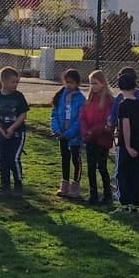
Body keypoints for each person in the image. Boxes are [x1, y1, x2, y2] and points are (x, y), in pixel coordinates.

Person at [114, 66, 139, 211]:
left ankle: (125, 202)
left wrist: (127, 146)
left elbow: (126, 125)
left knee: (123, 172)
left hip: (127, 143)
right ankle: (136, 201)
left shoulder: (123, 105)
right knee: (136, 171)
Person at [0, 68, 31, 194]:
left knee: (14, 158)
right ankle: (5, 185)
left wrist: (12, 128)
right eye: (13, 82)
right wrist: (2, 131)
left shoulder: (19, 96)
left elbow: (23, 115)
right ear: (4, 81)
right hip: (3, 135)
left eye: (17, 82)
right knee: (3, 160)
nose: (15, 85)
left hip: (18, 134)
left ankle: (18, 183)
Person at [80, 69, 116, 206]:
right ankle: (93, 195)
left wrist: (93, 131)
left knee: (102, 167)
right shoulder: (90, 100)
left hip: (102, 138)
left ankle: (107, 194)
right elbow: (83, 117)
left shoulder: (108, 101)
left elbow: (107, 121)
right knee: (90, 168)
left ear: (103, 84)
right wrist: (85, 131)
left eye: (95, 83)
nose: (93, 86)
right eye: (91, 83)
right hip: (90, 138)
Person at [49, 67, 85, 199]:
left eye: (72, 83)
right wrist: (57, 130)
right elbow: (54, 114)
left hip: (74, 136)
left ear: (77, 83)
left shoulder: (80, 99)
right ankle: (64, 184)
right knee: (65, 159)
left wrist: (69, 133)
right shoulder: (60, 96)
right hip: (61, 134)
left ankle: (75, 186)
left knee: (76, 160)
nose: (69, 85)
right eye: (67, 82)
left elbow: (80, 119)